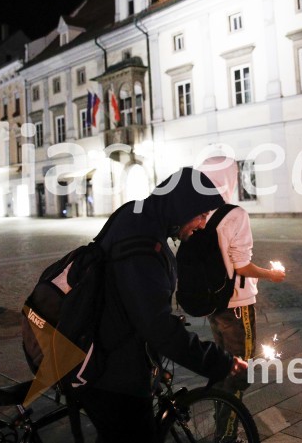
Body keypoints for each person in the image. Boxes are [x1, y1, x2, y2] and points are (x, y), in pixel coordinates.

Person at [74, 167, 248, 442]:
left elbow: (134, 301)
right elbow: (157, 327)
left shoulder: (137, 214)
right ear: (183, 206)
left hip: (105, 353)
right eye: (202, 214)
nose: (203, 224)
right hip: (113, 374)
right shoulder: (144, 243)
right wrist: (220, 362)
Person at [198, 156, 286, 439]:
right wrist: (271, 275)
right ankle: (226, 433)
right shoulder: (235, 214)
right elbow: (242, 266)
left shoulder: (200, 213)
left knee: (222, 364)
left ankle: (220, 417)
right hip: (238, 304)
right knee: (239, 369)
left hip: (214, 303)